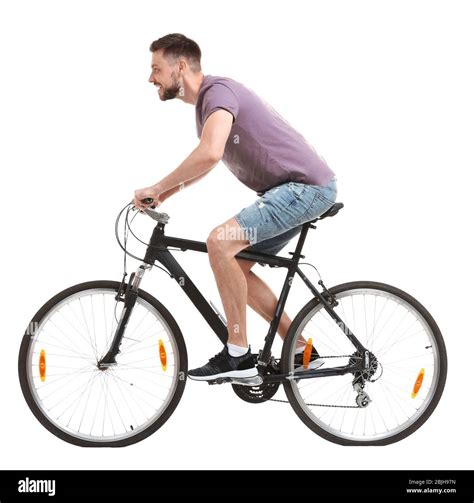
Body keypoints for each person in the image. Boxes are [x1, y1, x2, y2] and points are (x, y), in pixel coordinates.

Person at [134, 33, 337, 382]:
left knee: (220, 242)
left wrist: (157, 185)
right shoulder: (208, 106)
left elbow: (210, 153)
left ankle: (237, 354)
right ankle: (301, 349)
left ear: (180, 67)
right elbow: (207, 160)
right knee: (236, 264)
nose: (150, 77)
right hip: (294, 191)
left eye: (156, 68)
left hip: (303, 190)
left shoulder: (218, 93)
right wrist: (164, 195)